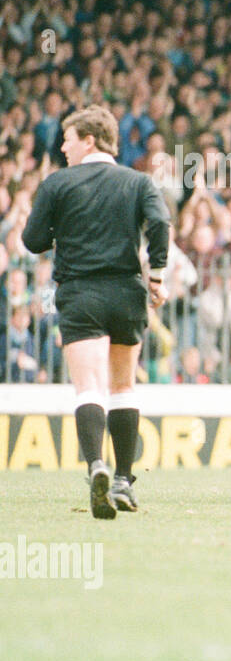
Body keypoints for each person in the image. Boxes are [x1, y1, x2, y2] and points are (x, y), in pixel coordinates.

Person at [20, 105, 170, 519]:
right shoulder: (138, 181)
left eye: (67, 138)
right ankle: (123, 479)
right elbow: (160, 223)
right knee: (123, 387)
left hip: (80, 292)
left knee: (89, 387)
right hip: (127, 292)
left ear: (89, 139)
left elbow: (32, 241)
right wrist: (156, 276)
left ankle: (95, 466)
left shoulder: (58, 183)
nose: (63, 147)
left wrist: (63, 230)